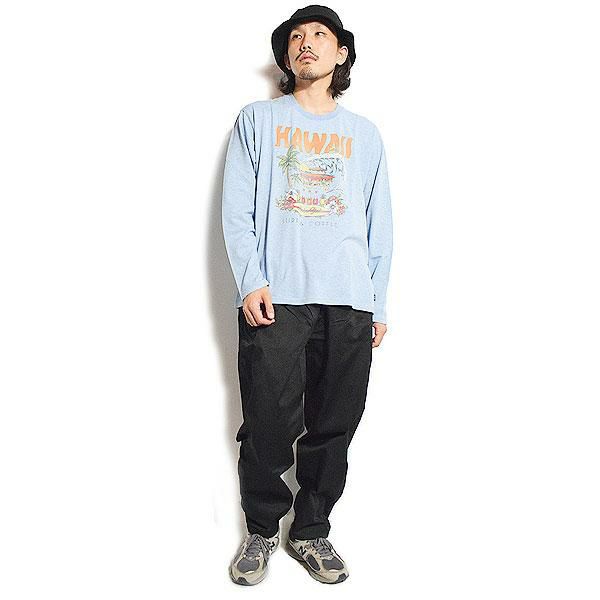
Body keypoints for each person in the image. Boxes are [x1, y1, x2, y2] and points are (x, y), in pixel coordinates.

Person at [222, 5, 394, 585]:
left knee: (335, 423)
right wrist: (251, 279)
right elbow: (237, 208)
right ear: (286, 56)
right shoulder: (257, 120)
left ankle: (311, 530)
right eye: (296, 36)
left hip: (349, 301)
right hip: (278, 298)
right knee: (267, 421)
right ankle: (262, 529)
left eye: (320, 34)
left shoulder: (364, 134)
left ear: (341, 53)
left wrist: (377, 301)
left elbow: (379, 223)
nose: (306, 43)